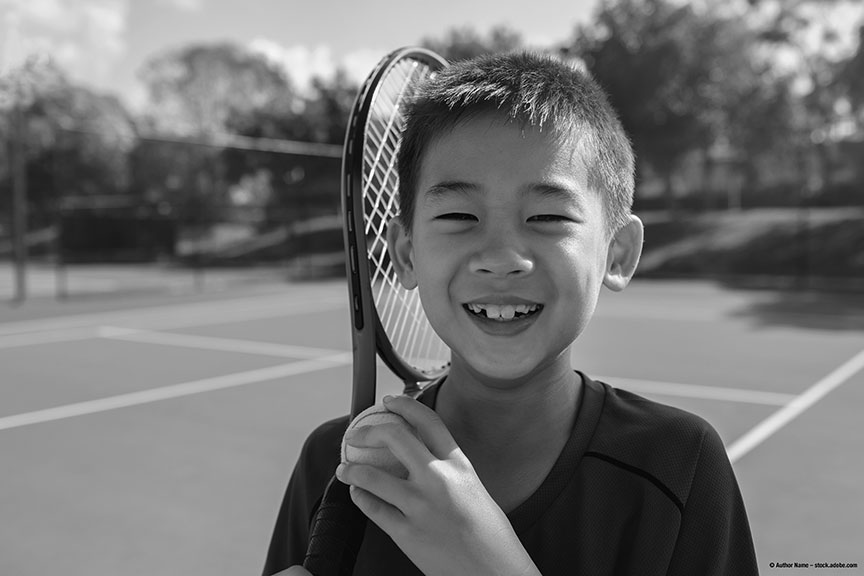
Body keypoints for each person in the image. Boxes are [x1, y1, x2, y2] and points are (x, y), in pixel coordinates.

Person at [263, 51, 758, 576]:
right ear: (405, 255)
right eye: (458, 215)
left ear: (617, 253)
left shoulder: (679, 464)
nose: (501, 258)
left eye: (546, 216)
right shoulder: (334, 464)